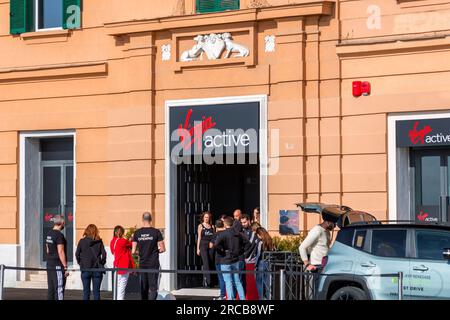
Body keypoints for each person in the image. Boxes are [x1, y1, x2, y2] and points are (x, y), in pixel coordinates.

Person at [214, 217, 251, 300]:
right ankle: (242, 299)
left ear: (225, 224)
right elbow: (248, 244)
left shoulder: (223, 234)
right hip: (236, 259)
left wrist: (222, 251)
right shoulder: (238, 234)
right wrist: (241, 252)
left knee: (228, 282)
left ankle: (230, 299)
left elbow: (216, 245)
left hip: (225, 260)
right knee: (237, 281)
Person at [299, 217, 335, 299]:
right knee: (316, 294)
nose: (335, 226)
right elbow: (302, 247)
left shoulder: (327, 232)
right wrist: (307, 264)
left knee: (322, 293)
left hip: (325, 266)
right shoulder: (317, 230)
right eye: (334, 224)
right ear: (328, 222)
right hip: (317, 267)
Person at [132, 212, 166, 300]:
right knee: (153, 288)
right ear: (151, 219)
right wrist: (155, 251)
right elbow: (162, 248)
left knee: (144, 287)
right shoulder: (156, 232)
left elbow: (133, 251)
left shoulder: (137, 233)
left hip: (142, 263)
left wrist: (141, 253)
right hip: (153, 263)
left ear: (142, 219)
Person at [75, 224, 107, 300]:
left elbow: (77, 254)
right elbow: (104, 254)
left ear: (86, 231)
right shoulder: (99, 242)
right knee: (96, 292)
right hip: (97, 270)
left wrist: (81, 263)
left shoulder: (82, 241)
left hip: (85, 269)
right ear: (96, 231)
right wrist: (101, 263)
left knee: (86, 292)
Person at [45, 215, 68, 300]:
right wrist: (65, 266)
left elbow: (47, 249)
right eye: (64, 222)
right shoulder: (59, 235)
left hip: (49, 264)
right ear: (62, 223)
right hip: (57, 265)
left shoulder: (48, 233)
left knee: (51, 289)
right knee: (59, 288)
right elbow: (60, 251)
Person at [110, 225, 135, 300]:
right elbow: (131, 244)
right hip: (124, 266)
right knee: (122, 287)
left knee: (116, 286)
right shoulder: (122, 241)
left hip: (116, 265)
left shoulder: (112, 241)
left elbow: (112, 251)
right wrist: (132, 238)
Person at [196, 211, 215, 287]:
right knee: (206, 263)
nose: (206, 219)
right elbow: (199, 238)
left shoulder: (212, 226)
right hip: (203, 246)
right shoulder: (200, 226)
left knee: (211, 262)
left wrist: (213, 243)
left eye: (208, 217)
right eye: (205, 217)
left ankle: (213, 280)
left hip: (210, 246)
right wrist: (198, 249)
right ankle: (208, 282)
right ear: (203, 218)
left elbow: (214, 237)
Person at [254, 227, 274, 300]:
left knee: (259, 283)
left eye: (257, 235)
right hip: (269, 263)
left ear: (260, 234)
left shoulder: (260, 242)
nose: (257, 237)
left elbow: (258, 254)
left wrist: (255, 264)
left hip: (261, 263)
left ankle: (261, 298)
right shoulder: (270, 240)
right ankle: (269, 298)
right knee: (268, 283)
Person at [209, 219, 226, 300]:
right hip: (227, 259)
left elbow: (210, 246)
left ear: (215, 226)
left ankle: (223, 295)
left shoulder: (215, 235)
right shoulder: (227, 233)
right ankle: (228, 294)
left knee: (221, 278)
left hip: (219, 259)